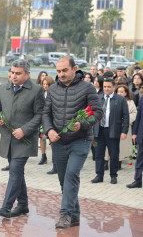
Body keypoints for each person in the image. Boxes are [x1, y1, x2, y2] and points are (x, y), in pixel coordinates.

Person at [42, 56, 103, 229]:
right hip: (59, 141)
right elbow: (46, 114)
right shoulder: (53, 89)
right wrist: (49, 131)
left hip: (80, 140)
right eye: (58, 71)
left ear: (74, 69)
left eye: (64, 70)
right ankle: (75, 215)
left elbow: (97, 112)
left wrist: (82, 124)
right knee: (64, 180)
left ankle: (65, 214)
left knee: (71, 175)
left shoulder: (87, 88)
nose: (61, 74)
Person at [0, 59, 45, 218]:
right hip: (7, 138)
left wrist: (24, 130)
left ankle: (6, 207)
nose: (14, 76)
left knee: (15, 171)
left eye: (18, 73)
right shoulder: (3, 88)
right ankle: (23, 205)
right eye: (12, 73)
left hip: (25, 140)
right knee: (17, 173)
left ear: (27, 74)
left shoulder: (36, 90)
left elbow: (40, 115)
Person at [91, 79, 129, 185]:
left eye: (109, 87)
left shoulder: (120, 100)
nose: (106, 89)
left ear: (113, 87)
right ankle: (99, 175)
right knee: (98, 154)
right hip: (99, 131)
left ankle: (113, 176)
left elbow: (126, 117)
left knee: (114, 154)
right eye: (105, 87)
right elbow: (93, 114)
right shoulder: (98, 98)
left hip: (113, 131)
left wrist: (124, 131)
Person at [116, 85, 137, 169]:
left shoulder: (130, 102)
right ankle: (107, 161)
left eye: (122, 91)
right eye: (118, 91)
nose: (120, 93)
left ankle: (119, 161)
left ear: (126, 93)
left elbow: (134, 113)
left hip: (125, 126)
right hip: (114, 125)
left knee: (122, 146)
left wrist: (126, 120)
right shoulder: (113, 100)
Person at [126, 94, 143, 188]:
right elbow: (138, 116)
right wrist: (135, 133)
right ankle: (138, 180)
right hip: (142, 134)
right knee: (139, 160)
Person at [38, 75, 55, 166]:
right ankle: (43, 156)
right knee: (42, 137)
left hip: (51, 119)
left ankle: (54, 158)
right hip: (42, 119)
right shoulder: (41, 94)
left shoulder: (53, 93)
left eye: (47, 84)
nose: (45, 86)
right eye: (43, 84)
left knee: (51, 139)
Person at [1, 68, 12, 172]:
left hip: (21, 132)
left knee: (16, 169)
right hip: (6, 129)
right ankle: (10, 164)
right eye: (9, 76)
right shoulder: (3, 89)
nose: (11, 78)